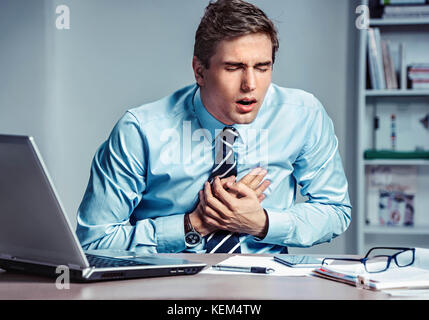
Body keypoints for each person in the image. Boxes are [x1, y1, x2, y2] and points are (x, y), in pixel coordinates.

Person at [76, 0, 351, 254]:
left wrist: (262, 223)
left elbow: (336, 210)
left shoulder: (302, 115)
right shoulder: (140, 131)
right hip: (166, 282)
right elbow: (94, 242)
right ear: (199, 71)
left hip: (266, 285)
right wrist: (192, 225)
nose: (250, 85)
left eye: (263, 67)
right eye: (233, 68)